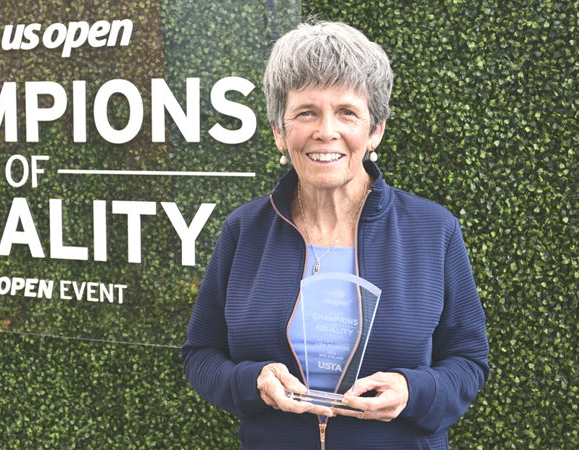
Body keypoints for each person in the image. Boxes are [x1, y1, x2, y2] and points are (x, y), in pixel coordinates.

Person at [182, 20, 489, 449]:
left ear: (375, 130)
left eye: (347, 112)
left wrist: (412, 391)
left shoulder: (433, 230)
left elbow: (468, 362)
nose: (326, 131)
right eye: (306, 112)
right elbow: (201, 355)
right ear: (279, 132)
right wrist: (252, 382)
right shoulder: (244, 231)